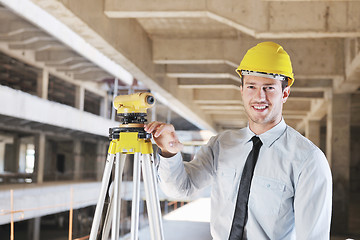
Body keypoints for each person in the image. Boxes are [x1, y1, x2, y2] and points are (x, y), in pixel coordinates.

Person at [145, 41, 332, 239]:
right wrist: (169, 152)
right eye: (252, 86)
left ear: (284, 93)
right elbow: (181, 188)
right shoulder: (221, 145)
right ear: (242, 90)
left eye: (269, 88)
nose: (260, 97)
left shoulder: (308, 160)